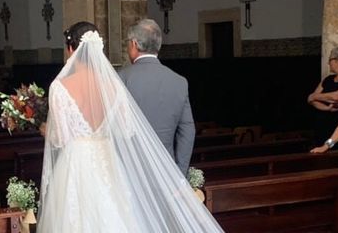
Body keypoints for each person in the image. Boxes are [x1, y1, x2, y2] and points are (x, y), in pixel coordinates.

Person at [38, 22, 223, 232]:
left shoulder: (60, 87)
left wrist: (46, 130)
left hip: (76, 164)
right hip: (108, 162)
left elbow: (60, 139)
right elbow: (126, 129)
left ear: (72, 48)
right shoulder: (114, 85)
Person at [119, 18, 195, 175]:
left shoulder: (121, 79)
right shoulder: (179, 81)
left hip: (131, 170)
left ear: (134, 44)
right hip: (166, 171)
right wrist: (179, 173)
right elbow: (187, 130)